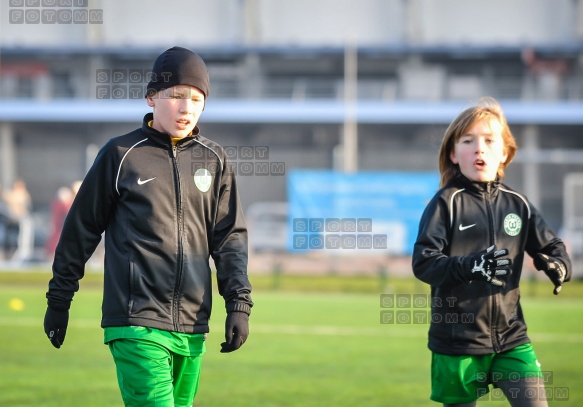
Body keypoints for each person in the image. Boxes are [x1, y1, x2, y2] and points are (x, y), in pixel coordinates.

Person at [44, 46, 253, 407]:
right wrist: (59, 299)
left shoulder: (215, 159)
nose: (186, 107)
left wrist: (239, 303)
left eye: (197, 98)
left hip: (192, 324)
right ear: (152, 98)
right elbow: (81, 230)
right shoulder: (120, 154)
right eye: (176, 96)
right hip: (135, 320)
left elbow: (229, 239)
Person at [412, 97, 571, 407]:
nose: (479, 148)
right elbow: (424, 263)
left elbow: (553, 247)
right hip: (457, 344)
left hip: (511, 340)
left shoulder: (518, 204)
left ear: (505, 153)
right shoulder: (446, 203)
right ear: (454, 154)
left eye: (488, 140)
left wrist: (559, 265)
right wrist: (473, 266)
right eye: (468, 141)